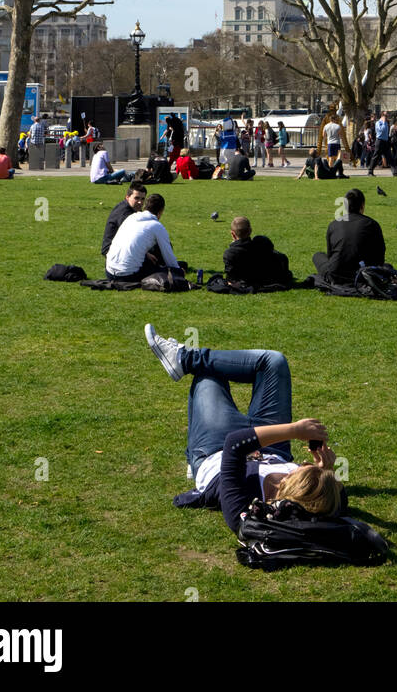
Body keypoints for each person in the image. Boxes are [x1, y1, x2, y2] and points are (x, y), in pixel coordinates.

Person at [143, 327, 343, 527]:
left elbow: (234, 444)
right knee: (274, 362)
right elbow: (336, 499)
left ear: (284, 484)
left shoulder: (244, 500)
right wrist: (325, 472)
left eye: (302, 470)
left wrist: (296, 430)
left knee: (209, 374)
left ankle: (184, 359)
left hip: (218, 451)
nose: (306, 464)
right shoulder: (317, 499)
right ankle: (183, 358)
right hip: (273, 449)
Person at [313, 188, 385, 286]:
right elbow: (380, 256)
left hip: (336, 274)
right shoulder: (372, 224)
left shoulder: (334, 224)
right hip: (363, 274)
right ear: (362, 206)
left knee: (318, 256)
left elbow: (331, 255)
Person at [105, 193, 181, 282]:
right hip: (127, 275)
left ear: (145, 206)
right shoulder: (156, 226)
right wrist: (178, 271)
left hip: (109, 272)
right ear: (161, 211)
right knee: (174, 270)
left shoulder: (131, 218)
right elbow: (169, 257)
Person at [223, 217, 291, 287]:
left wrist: (234, 245)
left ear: (233, 234)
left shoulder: (230, 253)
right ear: (250, 230)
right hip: (266, 278)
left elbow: (231, 279)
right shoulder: (261, 244)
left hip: (248, 280)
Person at [101, 181, 147, 257]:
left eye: (142, 199)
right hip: (111, 249)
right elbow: (133, 235)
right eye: (136, 198)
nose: (140, 202)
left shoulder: (134, 208)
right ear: (127, 197)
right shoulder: (124, 212)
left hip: (123, 246)